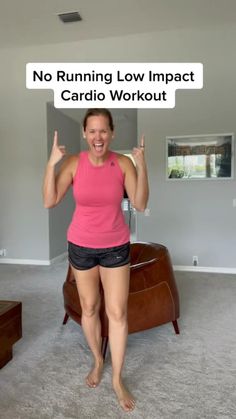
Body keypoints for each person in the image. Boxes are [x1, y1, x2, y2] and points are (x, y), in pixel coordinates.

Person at [43, 108, 149, 412]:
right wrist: (51, 165)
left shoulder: (124, 163)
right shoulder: (75, 163)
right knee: (89, 307)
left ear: (112, 133)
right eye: (92, 131)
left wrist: (142, 166)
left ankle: (117, 378)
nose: (98, 137)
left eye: (103, 131)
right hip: (80, 245)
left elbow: (140, 204)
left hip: (115, 246)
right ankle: (98, 359)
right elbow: (49, 200)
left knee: (117, 312)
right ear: (85, 133)